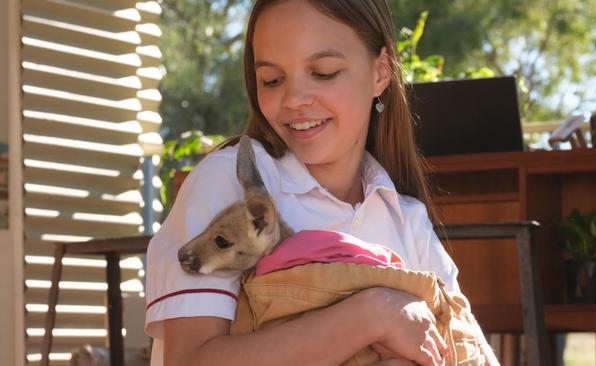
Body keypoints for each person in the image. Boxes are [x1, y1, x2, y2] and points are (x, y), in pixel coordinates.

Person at [145, 1, 490, 365]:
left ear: (381, 72)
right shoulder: (228, 181)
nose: (294, 99)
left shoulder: (407, 221)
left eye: (323, 72)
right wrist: (374, 314)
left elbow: (471, 352)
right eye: (272, 80)